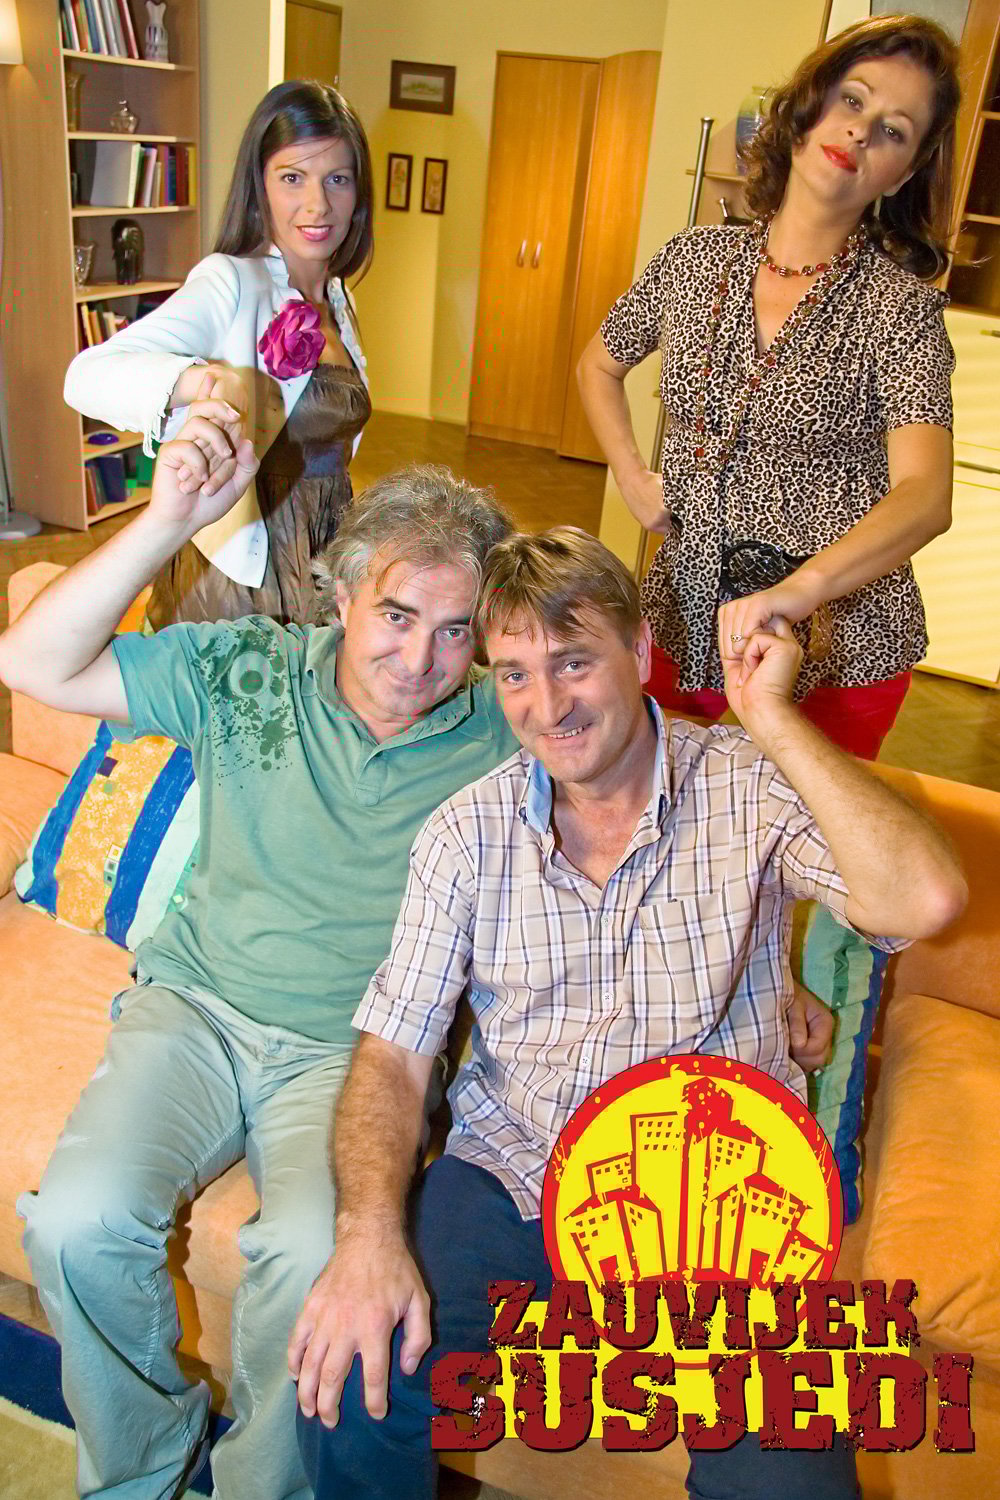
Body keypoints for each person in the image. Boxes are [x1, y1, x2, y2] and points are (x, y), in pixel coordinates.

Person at [289, 526, 967, 1500]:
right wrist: (366, 1240)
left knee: (791, 1480)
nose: (547, 706)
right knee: (353, 1369)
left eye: (574, 662)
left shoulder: (743, 786)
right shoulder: (465, 835)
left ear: (640, 649)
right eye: (515, 674)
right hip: (518, 1171)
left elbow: (925, 900)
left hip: (721, 1200)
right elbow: (394, 1054)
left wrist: (770, 718)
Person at [0, 392, 519, 1500]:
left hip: (355, 1055)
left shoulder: (501, 733)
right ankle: (141, 1473)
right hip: (192, 1011)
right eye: (396, 615)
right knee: (79, 1223)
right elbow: (32, 664)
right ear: (342, 593)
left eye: (456, 630)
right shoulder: (248, 671)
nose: (421, 658)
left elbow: (653, 799)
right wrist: (164, 520)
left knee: (312, 1267)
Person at [577, 16, 960, 761]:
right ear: (808, 109)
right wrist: (631, 475)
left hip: (839, 644)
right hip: (686, 612)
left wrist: (800, 590)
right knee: (651, 795)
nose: (860, 131)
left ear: (902, 174)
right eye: (852, 100)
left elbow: (926, 496)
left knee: (799, 832)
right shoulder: (691, 262)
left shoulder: (901, 311)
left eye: (893, 130)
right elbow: (598, 364)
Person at [64, 80, 375, 628]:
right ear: (260, 186)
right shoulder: (230, 280)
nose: (318, 204)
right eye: (292, 178)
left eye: (337, 179)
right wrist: (201, 381)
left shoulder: (339, 297)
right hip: (245, 571)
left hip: (323, 546)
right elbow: (86, 375)